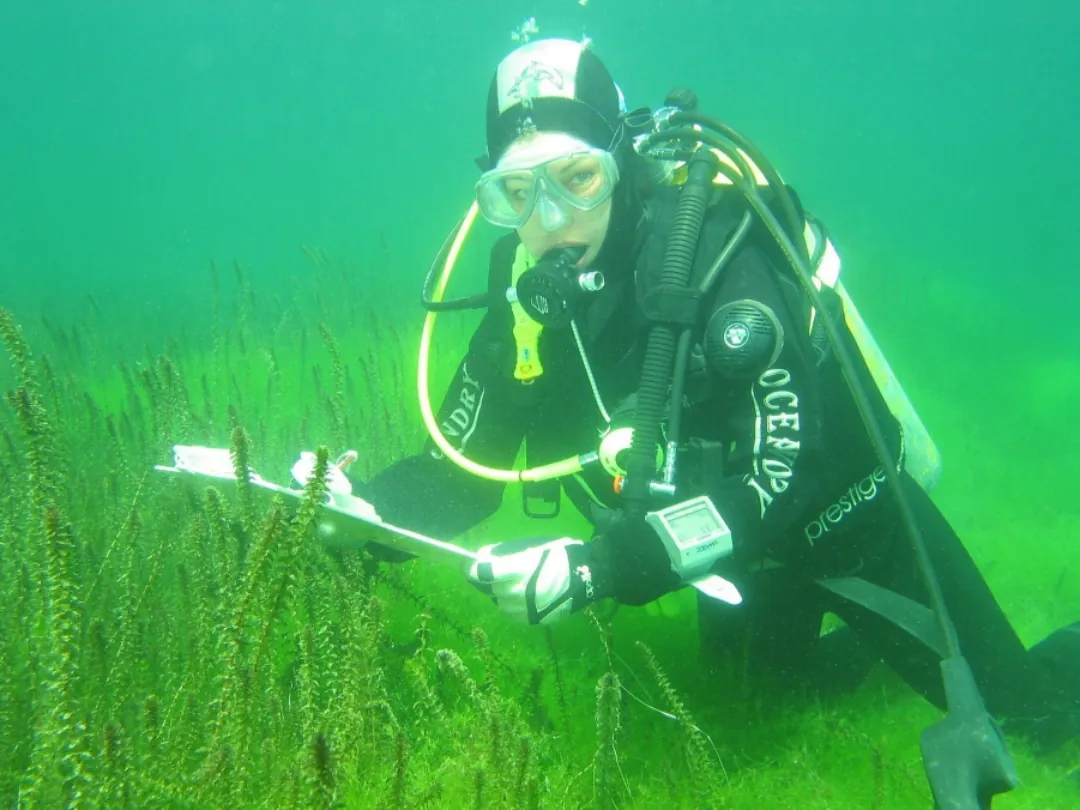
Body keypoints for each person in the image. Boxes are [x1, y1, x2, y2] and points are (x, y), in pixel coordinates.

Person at [351, 37, 1080, 760]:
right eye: (516, 191)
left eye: (577, 178)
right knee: (764, 697)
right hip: (733, 561)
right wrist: (362, 514)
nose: (550, 218)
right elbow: (461, 474)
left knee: (1029, 718)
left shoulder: (715, 251)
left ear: (622, 165)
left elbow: (776, 480)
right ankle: (883, 656)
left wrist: (601, 565)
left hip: (849, 525)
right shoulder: (525, 304)